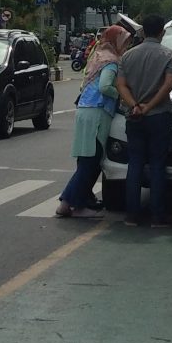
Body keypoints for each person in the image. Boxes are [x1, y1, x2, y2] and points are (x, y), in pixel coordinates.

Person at [115, 14, 172, 227]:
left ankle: (131, 215)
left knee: (134, 164)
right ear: (162, 32)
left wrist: (134, 105)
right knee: (157, 165)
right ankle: (157, 216)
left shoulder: (127, 56)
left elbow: (121, 85)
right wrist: (149, 107)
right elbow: (168, 86)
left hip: (133, 116)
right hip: (159, 116)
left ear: (142, 32)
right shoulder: (169, 55)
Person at [57, 24, 129, 219]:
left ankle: (74, 201)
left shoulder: (97, 55)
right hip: (97, 112)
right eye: (125, 41)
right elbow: (106, 86)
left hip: (84, 109)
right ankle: (70, 203)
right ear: (117, 41)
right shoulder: (111, 62)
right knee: (91, 160)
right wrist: (122, 95)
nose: (126, 45)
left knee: (85, 159)